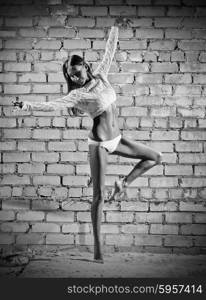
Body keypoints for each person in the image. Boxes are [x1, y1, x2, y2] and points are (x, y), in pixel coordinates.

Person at [13, 18, 163, 263]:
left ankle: (123, 183)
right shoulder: (76, 95)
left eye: (78, 73)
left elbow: (109, 50)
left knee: (155, 157)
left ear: (86, 67)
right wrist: (27, 104)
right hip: (100, 145)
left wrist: (115, 26)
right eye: (71, 76)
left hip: (118, 139)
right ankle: (97, 250)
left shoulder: (102, 76)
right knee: (99, 197)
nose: (75, 79)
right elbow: (51, 105)